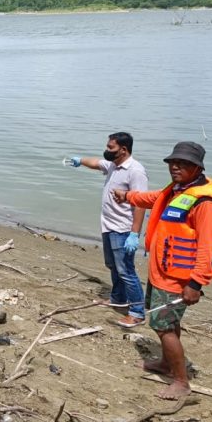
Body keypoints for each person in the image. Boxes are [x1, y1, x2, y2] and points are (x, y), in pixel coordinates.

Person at [112, 141, 212, 400]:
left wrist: (195, 283)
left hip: (179, 279)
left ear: (197, 168)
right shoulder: (179, 189)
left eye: (183, 163)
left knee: (163, 326)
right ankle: (166, 364)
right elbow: (154, 198)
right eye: (173, 162)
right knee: (166, 324)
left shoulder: (205, 202)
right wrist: (127, 196)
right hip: (162, 272)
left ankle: (181, 382)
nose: (175, 167)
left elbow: (207, 247)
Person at [69, 132, 148, 327]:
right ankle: (118, 298)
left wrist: (134, 234)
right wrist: (80, 160)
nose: (107, 150)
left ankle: (137, 312)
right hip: (108, 226)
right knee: (112, 266)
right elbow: (96, 163)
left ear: (123, 149)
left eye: (111, 147)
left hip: (123, 229)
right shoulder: (113, 165)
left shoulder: (135, 171)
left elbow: (141, 204)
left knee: (126, 271)